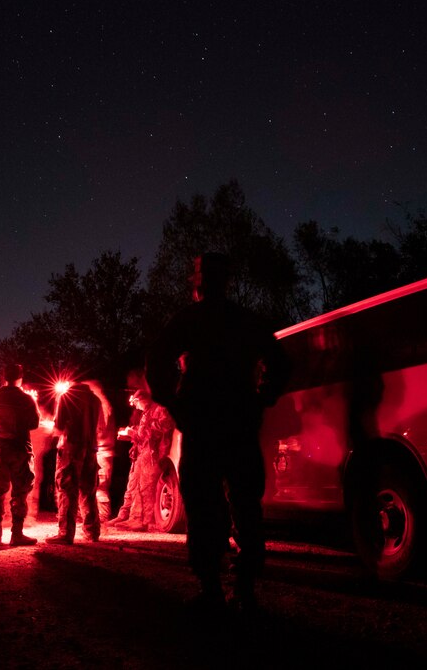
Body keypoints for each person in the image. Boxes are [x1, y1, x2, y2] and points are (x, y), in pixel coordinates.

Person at [146, 252, 290, 612]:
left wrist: (175, 404)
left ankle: (211, 587)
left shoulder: (189, 320)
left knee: (204, 505)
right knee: (245, 504)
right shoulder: (246, 321)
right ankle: (244, 588)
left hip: (203, 424)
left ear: (198, 284)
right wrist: (262, 398)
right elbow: (281, 361)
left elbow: (156, 364)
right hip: (239, 421)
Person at [0, 364, 40, 546]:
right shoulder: (26, 399)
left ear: (4, 376)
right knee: (20, 492)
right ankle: (16, 534)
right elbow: (34, 423)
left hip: (0, 448)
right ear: (21, 377)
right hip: (20, 449)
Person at [46, 378, 102, 545]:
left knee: (67, 489)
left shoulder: (67, 396)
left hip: (71, 447)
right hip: (91, 448)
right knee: (88, 490)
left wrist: (50, 428)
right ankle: (92, 531)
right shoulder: (95, 399)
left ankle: (65, 533)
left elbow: (59, 427)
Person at [110, 388, 174, 532]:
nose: (135, 406)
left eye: (136, 402)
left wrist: (137, 432)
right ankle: (136, 518)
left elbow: (165, 427)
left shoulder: (160, 409)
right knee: (138, 486)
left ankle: (148, 522)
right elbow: (145, 432)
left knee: (147, 488)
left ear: (143, 400)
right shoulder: (147, 412)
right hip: (144, 452)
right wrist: (133, 433)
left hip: (154, 453)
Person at [86, 380, 116, 524]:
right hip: (104, 450)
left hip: (101, 450)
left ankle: (102, 519)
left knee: (99, 486)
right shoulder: (105, 404)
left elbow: (99, 430)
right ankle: (97, 518)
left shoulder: (100, 405)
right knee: (98, 485)